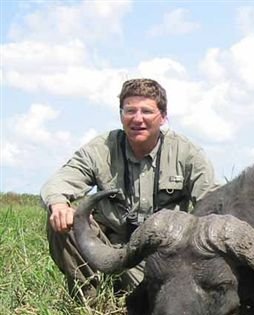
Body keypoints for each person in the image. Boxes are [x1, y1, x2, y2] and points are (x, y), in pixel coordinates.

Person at [41, 78, 216, 303]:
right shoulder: (100, 148)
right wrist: (58, 204)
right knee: (67, 222)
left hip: (162, 255)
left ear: (163, 117)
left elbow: (213, 202)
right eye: (130, 110)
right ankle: (89, 304)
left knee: (152, 303)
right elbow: (59, 181)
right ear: (121, 115)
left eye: (146, 111)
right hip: (109, 247)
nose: (137, 119)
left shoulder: (187, 153)